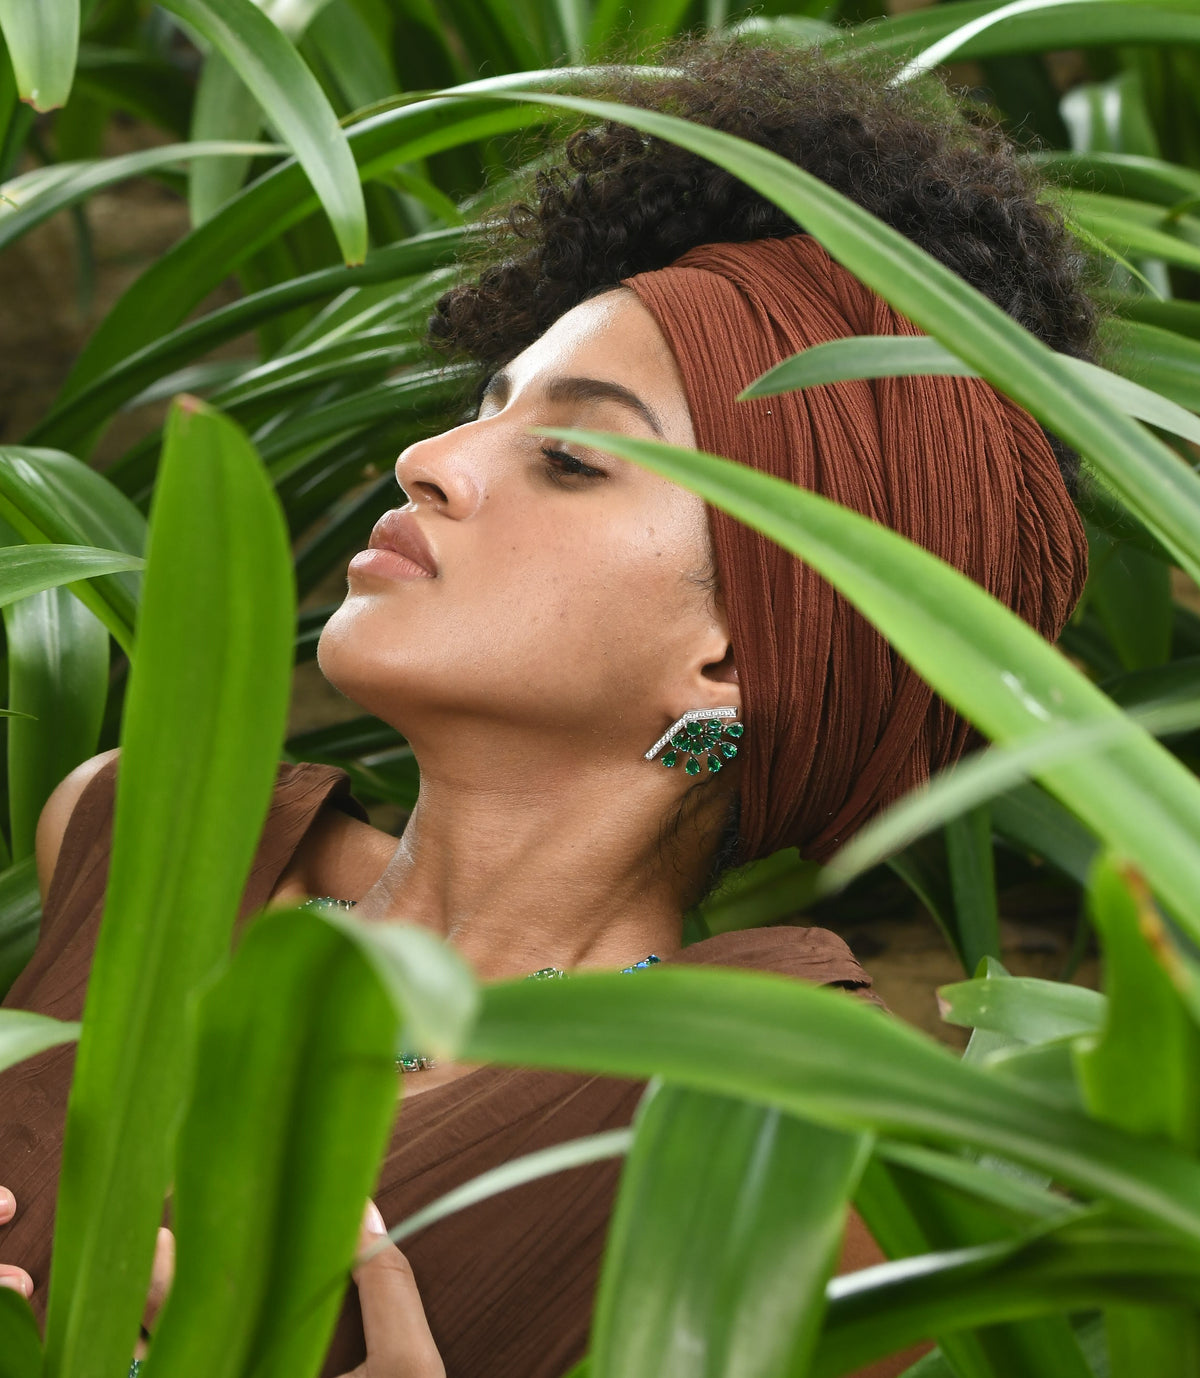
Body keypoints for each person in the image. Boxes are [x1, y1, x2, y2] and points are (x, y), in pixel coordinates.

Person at [0, 35, 1093, 1378]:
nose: (429, 460)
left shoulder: (792, 1133)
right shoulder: (138, 837)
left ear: (738, 657)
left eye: (571, 455)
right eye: (484, 405)